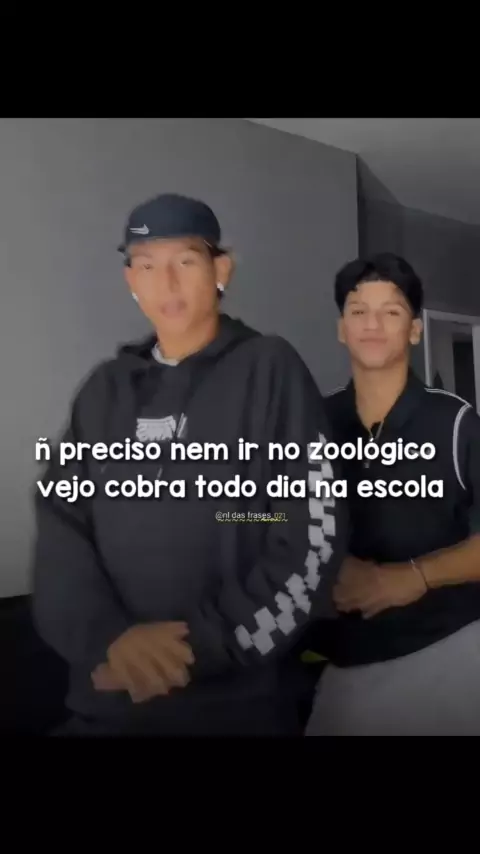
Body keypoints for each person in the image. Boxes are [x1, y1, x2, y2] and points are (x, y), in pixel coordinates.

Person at [32, 192, 346, 736]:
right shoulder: (104, 391)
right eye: (147, 265)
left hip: (236, 708)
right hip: (108, 701)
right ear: (130, 280)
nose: (166, 283)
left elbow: (310, 533)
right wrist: (110, 639)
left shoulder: (269, 369)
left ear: (221, 270)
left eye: (185, 260)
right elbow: (62, 525)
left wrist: (193, 648)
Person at [305, 252, 480, 736]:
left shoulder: (457, 423)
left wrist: (414, 577)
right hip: (342, 667)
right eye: (359, 310)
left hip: (447, 654)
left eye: (392, 311)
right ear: (342, 328)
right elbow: (265, 517)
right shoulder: (312, 423)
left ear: (415, 330)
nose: (372, 324)